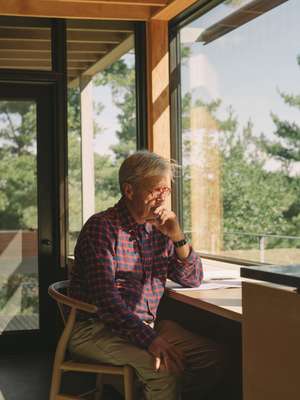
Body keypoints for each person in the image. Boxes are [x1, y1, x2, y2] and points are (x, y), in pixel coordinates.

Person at [69, 151, 224, 400]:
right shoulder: (102, 227)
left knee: (214, 358)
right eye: (155, 190)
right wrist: (150, 340)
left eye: (167, 191)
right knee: (163, 371)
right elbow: (107, 301)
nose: (162, 199)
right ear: (129, 191)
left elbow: (192, 278)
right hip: (95, 329)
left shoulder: (159, 229)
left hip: (142, 327)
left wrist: (177, 236)